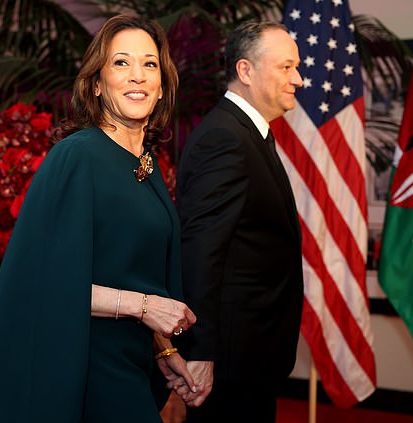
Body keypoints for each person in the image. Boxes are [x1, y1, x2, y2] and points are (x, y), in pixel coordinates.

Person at [0, 14, 198, 423]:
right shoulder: (77, 157)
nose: (137, 76)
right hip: (84, 364)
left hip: (131, 359)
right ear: (96, 83)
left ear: (162, 87)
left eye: (149, 64)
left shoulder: (148, 162)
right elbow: (43, 283)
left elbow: (131, 270)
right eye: (121, 63)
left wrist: (164, 349)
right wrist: (145, 308)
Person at [173, 20, 304, 422]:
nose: (298, 79)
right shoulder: (226, 139)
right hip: (230, 361)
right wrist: (202, 351)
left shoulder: (248, 133)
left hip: (251, 355)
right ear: (246, 71)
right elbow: (200, 252)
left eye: (296, 67)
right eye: (286, 67)